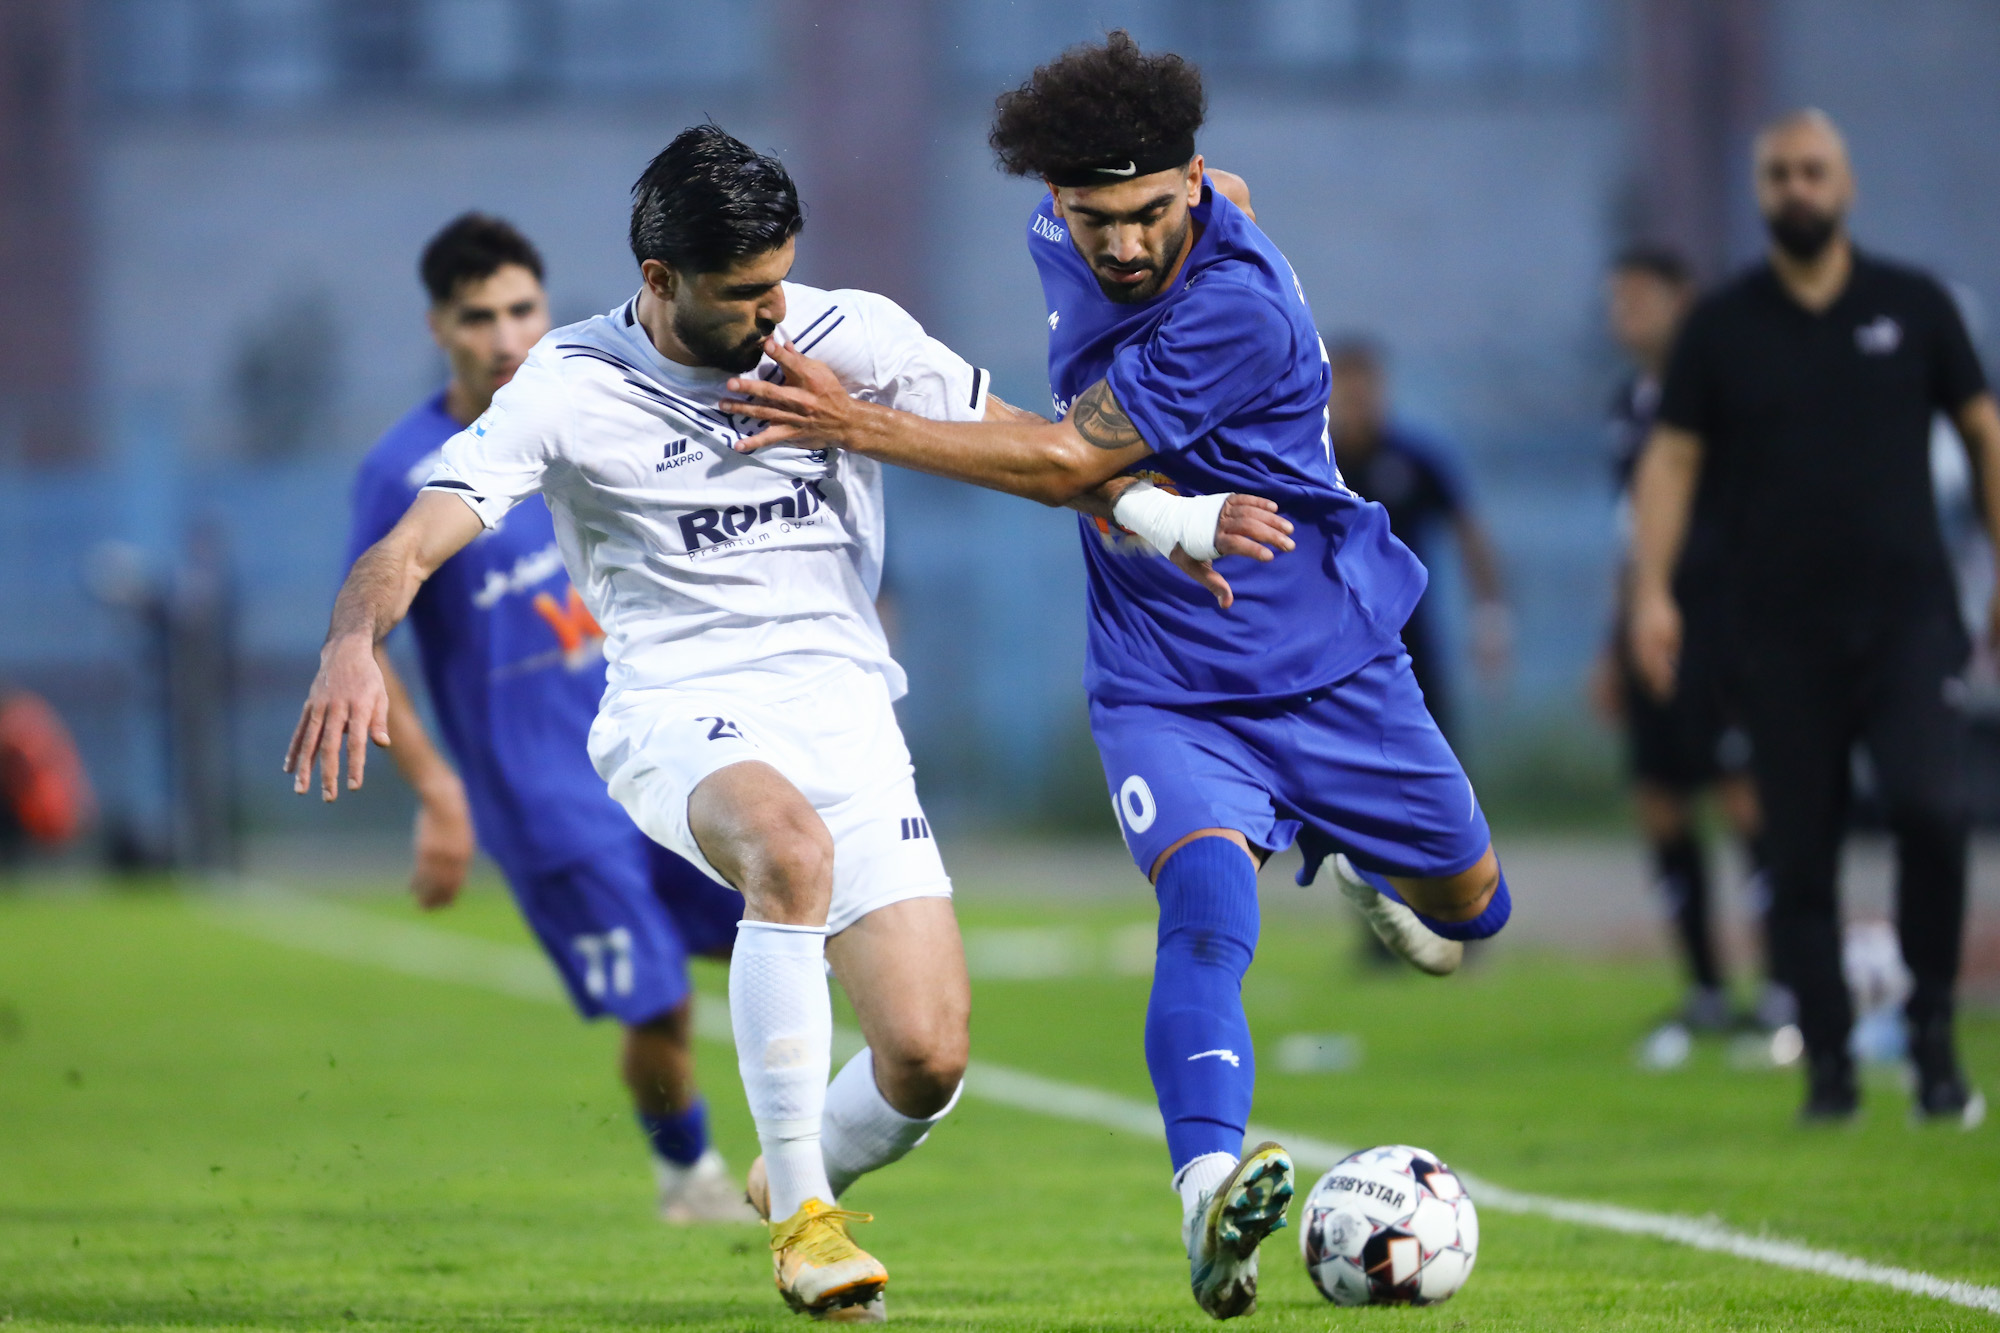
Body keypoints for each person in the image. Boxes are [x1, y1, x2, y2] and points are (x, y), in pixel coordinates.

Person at [289, 128, 1232, 1320]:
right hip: (677, 708)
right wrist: (350, 641)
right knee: (786, 850)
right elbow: (413, 541)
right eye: (742, 292)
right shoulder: (568, 386)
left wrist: (1161, 517)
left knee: (926, 1057)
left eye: (780, 277)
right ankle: (803, 1222)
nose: (772, 310)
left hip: (847, 713)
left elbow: (1019, 441)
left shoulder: (848, 334)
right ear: (660, 278)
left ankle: (787, 1166)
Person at [722, 33, 1512, 1320]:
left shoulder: (1237, 312)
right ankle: (1205, 1198)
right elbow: (1216, 200)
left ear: (1187, 182)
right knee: (1203, 911)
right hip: (1162, 674)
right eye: (1098, 218)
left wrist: (852, 422)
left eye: (1152, 212)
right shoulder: (1070, 227)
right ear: (1058, 202)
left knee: (1473, 910)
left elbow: (1060, 465)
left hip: (1328, 659)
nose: (1125, 245)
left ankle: (1362, 856)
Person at [344, 213, 755, 1222]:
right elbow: (368, 640)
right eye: (477, 316)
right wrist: (440, 793)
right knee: (655, 995)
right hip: (543, 797)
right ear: (439, 327)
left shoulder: (588, 413)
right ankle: (689, 1176)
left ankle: (819, 1131)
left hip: (657, 750)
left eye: (521, 309)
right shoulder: (405, 471)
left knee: (780, 922)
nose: (505, 335)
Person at [1629, 109, 2000, 1125]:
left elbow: (1982, 430)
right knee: (1797, 847)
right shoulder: (1722, 326)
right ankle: (1829, 1063)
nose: (1797, 187)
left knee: (1932, 810)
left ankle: (1931, 1035)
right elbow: (1671, 460)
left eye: (1813, 171)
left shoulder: (1914, 306)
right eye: (1780, 173)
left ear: (1844, 184)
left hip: (1909, 618)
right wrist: (1652, 590)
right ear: (1760, 190)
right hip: (1775, 630)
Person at [1596, 245, 1791, 1057]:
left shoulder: (1727, 387)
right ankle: (1706, 988)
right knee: (1661, 798)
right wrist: (1613, 640)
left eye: (1642, 297)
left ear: (1683, 301)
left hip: (1726, 620)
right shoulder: (1628, 402)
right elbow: (1631, 530)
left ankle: (1784, 984)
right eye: (1619, 299)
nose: (1626, 313)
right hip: (1650, 622)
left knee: (1746, 795)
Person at [1325, 336, 1509, 741]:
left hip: (1408, 636)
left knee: (1428, 744)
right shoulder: (1311, 466)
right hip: (1327, 639)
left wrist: (1490, 617)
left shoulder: (1415, 460)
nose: (1358, 401)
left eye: (1365, 388)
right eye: (1347, 390)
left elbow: (1469, 532)